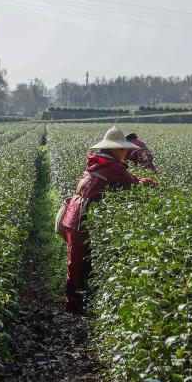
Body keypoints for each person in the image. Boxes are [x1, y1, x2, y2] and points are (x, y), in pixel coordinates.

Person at [59, 126, 159, 314]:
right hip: (81, 216)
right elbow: (133, 184)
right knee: (78, 261)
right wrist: (152, 183)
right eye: (123, 149)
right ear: (115, 149)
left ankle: (77, 299)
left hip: (74, 212)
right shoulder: (113, 167)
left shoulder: (99, 162)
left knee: (77, 259)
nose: (126, 152)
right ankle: (73, 304)